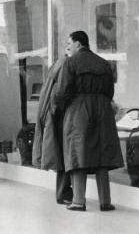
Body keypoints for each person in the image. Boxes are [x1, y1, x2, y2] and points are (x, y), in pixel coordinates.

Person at [52, 31, 123, 212]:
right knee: (102, 156)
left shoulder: (71, 62)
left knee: (78, 153)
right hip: (102, 109)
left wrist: (60, 108)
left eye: (70, 42)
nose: (68, 46)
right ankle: (105, 202)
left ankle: (78, 201)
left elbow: (61, 91)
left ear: (78, 43)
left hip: (79, 109)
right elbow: (110, 92)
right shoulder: (104, 64)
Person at [31, 56, 73, 205]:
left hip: (55, 118)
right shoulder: (65, 66)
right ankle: (65, 193)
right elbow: (59, 95)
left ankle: (63, 192)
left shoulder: (57, 67)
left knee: (63, 156)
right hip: (63, 118)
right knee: (67, 156)